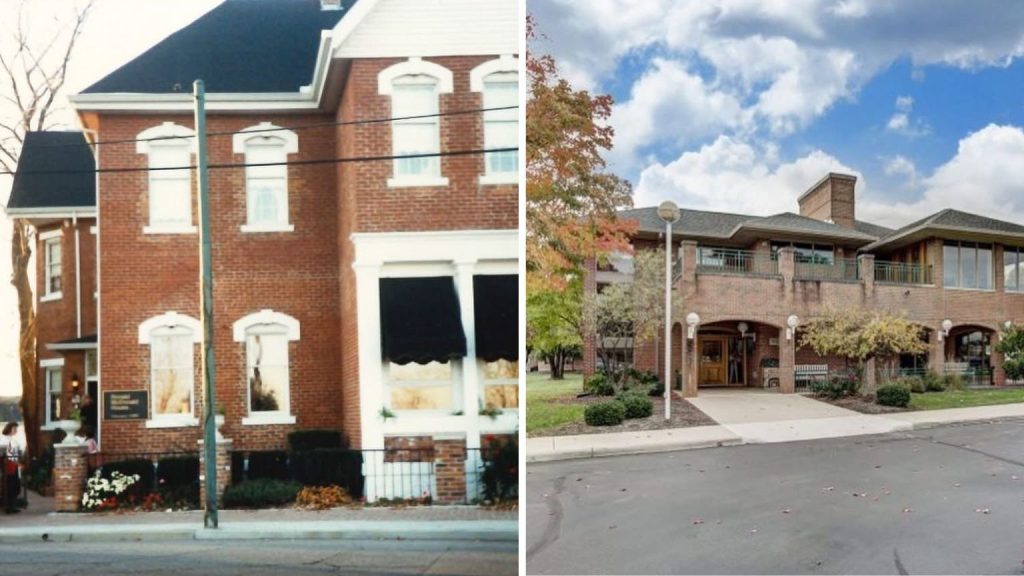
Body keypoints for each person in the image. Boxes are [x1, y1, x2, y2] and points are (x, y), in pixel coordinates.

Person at [2, 422, 22, 514]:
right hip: (9, 466)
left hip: (13, 465)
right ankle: (9, 507)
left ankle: (12, 506)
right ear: (9, 429)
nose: (16, 430)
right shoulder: (4, 440)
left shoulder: (12, 440)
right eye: (14, 428)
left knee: (15, 487)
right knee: (11, 487)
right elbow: (10, 455)